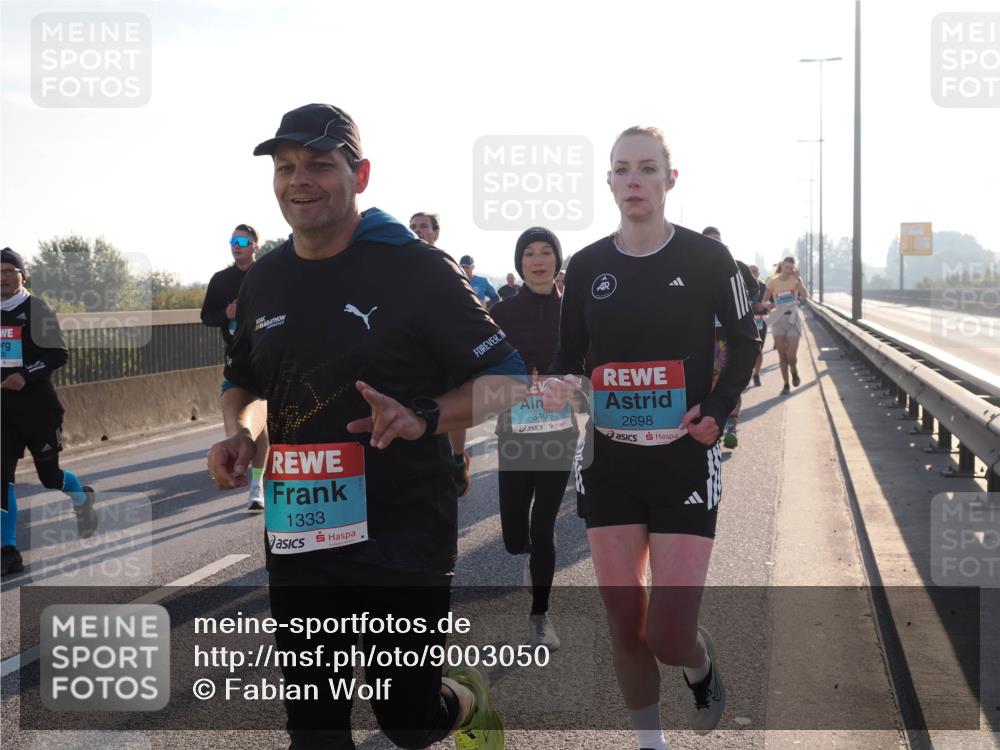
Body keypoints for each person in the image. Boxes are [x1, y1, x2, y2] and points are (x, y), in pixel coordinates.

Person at [207, 103, 525, 750]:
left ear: (361, 174)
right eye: (287, 166)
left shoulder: (415, 269)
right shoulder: (265, 278)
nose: (300, 179)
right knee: (315, 735)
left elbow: (511, 378)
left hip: (402, 531)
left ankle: (465, 700)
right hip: (298, 533)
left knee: (407, 722)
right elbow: (241, 378)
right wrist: (239, 431)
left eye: (320, 165)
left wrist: (425, 416)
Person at [543, 127, 759, 749]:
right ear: (609, 182)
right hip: (609, 463)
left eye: (646, 168)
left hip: (684, 463)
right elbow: (568, 353)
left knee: (667, 635)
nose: (633, 180)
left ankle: (698, 663)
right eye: (621, 169)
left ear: (670, 179)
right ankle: (650, 742)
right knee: (624, 624)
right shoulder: (585, 266)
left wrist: (718, 408)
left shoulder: (709, 260)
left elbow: (747, 339)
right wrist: (560, 384)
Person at [489, 227, 575, 651]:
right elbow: (482, 364)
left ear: (557, 261)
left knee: (544, 529)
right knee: (512, 538)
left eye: (546, 252)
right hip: (515, 433)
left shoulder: (574, 311)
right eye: (529, 253)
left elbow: (588, 363)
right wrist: (513, 381)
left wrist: (569, 384)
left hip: (558, 432)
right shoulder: (501, 313)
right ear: (519, 262)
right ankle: (532, 560)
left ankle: (540, 615)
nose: (538, 260)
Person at [1, 247, 97, 577]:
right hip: (3, 413)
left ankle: (82, 498)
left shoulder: (36, 309)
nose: (2, 278)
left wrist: (24, 375)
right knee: (2, 478)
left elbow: (58, 354)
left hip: (38, 409)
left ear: (22, 275)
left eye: (9, 271)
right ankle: (8, 550)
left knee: (49, 477)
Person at [201, 224, 269, 511]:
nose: (236, 245)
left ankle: (261, 482)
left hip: (269, 356)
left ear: (256, 245)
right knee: (248, 426)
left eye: (242, 241)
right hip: (237, 359)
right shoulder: (221, 280)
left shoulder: (268, 273)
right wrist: (225, 314)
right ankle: (257, 484)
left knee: (265, 424)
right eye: (232, 241)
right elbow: (206, 316)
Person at [407, 212, 474, 498]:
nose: (418, 230)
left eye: (423, 226)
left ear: (435, 232)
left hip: (446, 343)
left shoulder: (445, 263)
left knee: (451, 400)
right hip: (415, 346)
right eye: (413, 226)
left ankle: (457, 458)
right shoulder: (399, 263)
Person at [763, 256, 809, 394]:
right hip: (778, 321)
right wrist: (768, 305)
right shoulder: (772, 282)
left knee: (791, 356)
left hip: (793, 320)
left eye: (791, 268)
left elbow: (805, 296)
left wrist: (799, 280)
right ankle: (786, 384)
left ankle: (794, 372)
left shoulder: (795, 280)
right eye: (787, 267)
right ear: (782, 265)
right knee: (782, 356)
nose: (788, 270)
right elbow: (764, 300)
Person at [747, 264, 768, 386]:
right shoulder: (742, 286)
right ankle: (747, 373)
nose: (753, 273)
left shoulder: (764, 287)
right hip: (746, 323)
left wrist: (764, 306)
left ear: (759, 273)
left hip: (760, 322)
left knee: (759, 351)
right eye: (751, 271)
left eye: (755, 271)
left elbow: (772, 303)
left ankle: (756, 373)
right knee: (748, 351)